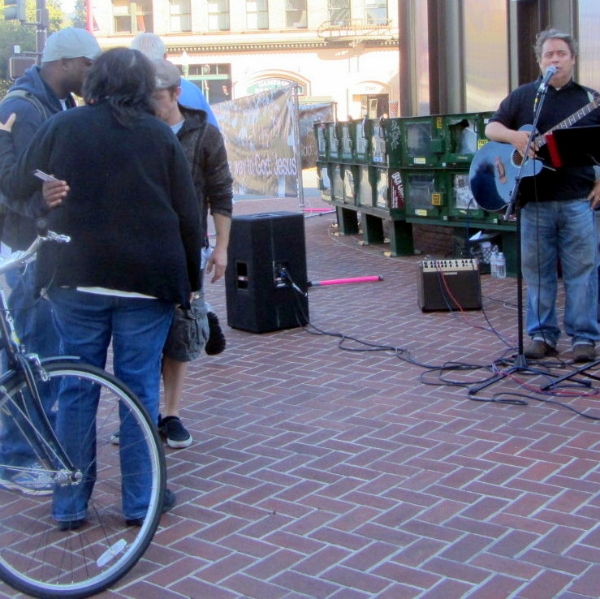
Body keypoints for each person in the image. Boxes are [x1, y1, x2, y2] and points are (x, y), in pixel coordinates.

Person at [0, 47, 202, 529]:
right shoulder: (159, 135)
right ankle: (141, 500)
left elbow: (14, 183)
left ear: (94, 84)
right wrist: (188, 284)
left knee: (74, 389)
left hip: (76, 277)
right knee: (138, 391)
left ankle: (69, 504)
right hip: (146, 282)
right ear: (141, 88)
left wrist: (35, 195)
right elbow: (187, 213)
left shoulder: (62, 126)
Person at [0, 27, 101, 495]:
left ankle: (32, 447)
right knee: (28, 354)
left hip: (42, 248)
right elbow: (9, 187)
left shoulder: (56, 105)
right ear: (65, 62)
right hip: (26, 251)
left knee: (41, 351)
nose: (92, 74)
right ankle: (16, 459)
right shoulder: (23, 108)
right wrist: (42, 205)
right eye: (88, 64)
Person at [485, 28, 600, 363]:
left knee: (583, 271)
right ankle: (541, 335)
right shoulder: (524, 97)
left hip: (577, 199)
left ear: (572, 59)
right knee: (537, 272)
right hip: (533, 202)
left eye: (561, 54)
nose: (555, 60)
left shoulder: (589, 99)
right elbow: (492, 127)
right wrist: (514, 138)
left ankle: (584, 338)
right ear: (540, 60)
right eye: (548, 54)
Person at [152, 59, 233, 448]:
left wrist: (222, 248)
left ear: (176, 93)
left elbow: (221, 193)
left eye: (157, 98)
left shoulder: (203, 134)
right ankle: (140, 408)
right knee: (142, 331)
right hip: (142, 249)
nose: (152, 106)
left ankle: (172, 413)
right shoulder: (138, 129)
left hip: (187, 248)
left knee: (180, 330)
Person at [130, 32, 219, 129]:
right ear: (165, 56)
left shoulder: (126, 94)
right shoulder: (192, 91)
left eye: (158, 97)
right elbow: (214, 133)